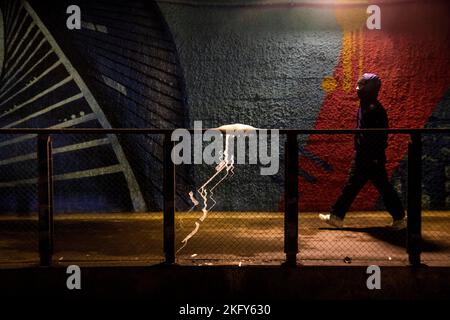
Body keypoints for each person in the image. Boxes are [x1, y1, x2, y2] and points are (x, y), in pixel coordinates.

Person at [319, 73, 406, 230]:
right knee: (376, 186)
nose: (357, 88)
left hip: (368, 156)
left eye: (361, 86)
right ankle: (399, 218)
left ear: (369, 89)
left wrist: (370, 156)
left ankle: (337, 216)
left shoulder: (372, 109)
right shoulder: (367, 106)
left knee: (363, 186)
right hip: (368, 156)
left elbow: (375, 137)